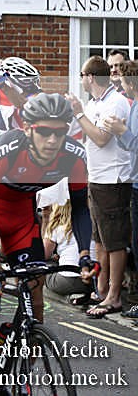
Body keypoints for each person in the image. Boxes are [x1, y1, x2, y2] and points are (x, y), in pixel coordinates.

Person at [0, 93, 99, 381]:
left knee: (35, 299)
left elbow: (81, 208)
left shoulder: (73, 156)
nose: (52, 140)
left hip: (22, 221)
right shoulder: (8, 151)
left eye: (59, 132)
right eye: (44, 131)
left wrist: (84, 255)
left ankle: (17, 376)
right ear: (28, 129)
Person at [67, 55, 131, 318]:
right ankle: (101, 290)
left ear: (91, 77)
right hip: (96, 177)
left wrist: (79, 113)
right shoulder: (94, 103)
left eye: (82, 75)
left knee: (114, 241)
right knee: (100, 240)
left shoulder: (115, 102)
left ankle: (114, 297)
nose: (81, 80)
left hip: (113, 180)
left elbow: (102, 138)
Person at [101, 59, 138, 318]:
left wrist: (121, 131)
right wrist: (119, 131)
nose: (122, 87)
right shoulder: (133, 106)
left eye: (124, 82)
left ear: (131, 83)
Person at [43, 202, 96, 303]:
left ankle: (71, 294)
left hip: (66, 281)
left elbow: (43, 255)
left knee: (44, 264)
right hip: (94, 279)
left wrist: (46, 220)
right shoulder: (92, 223)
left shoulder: (57, 225)